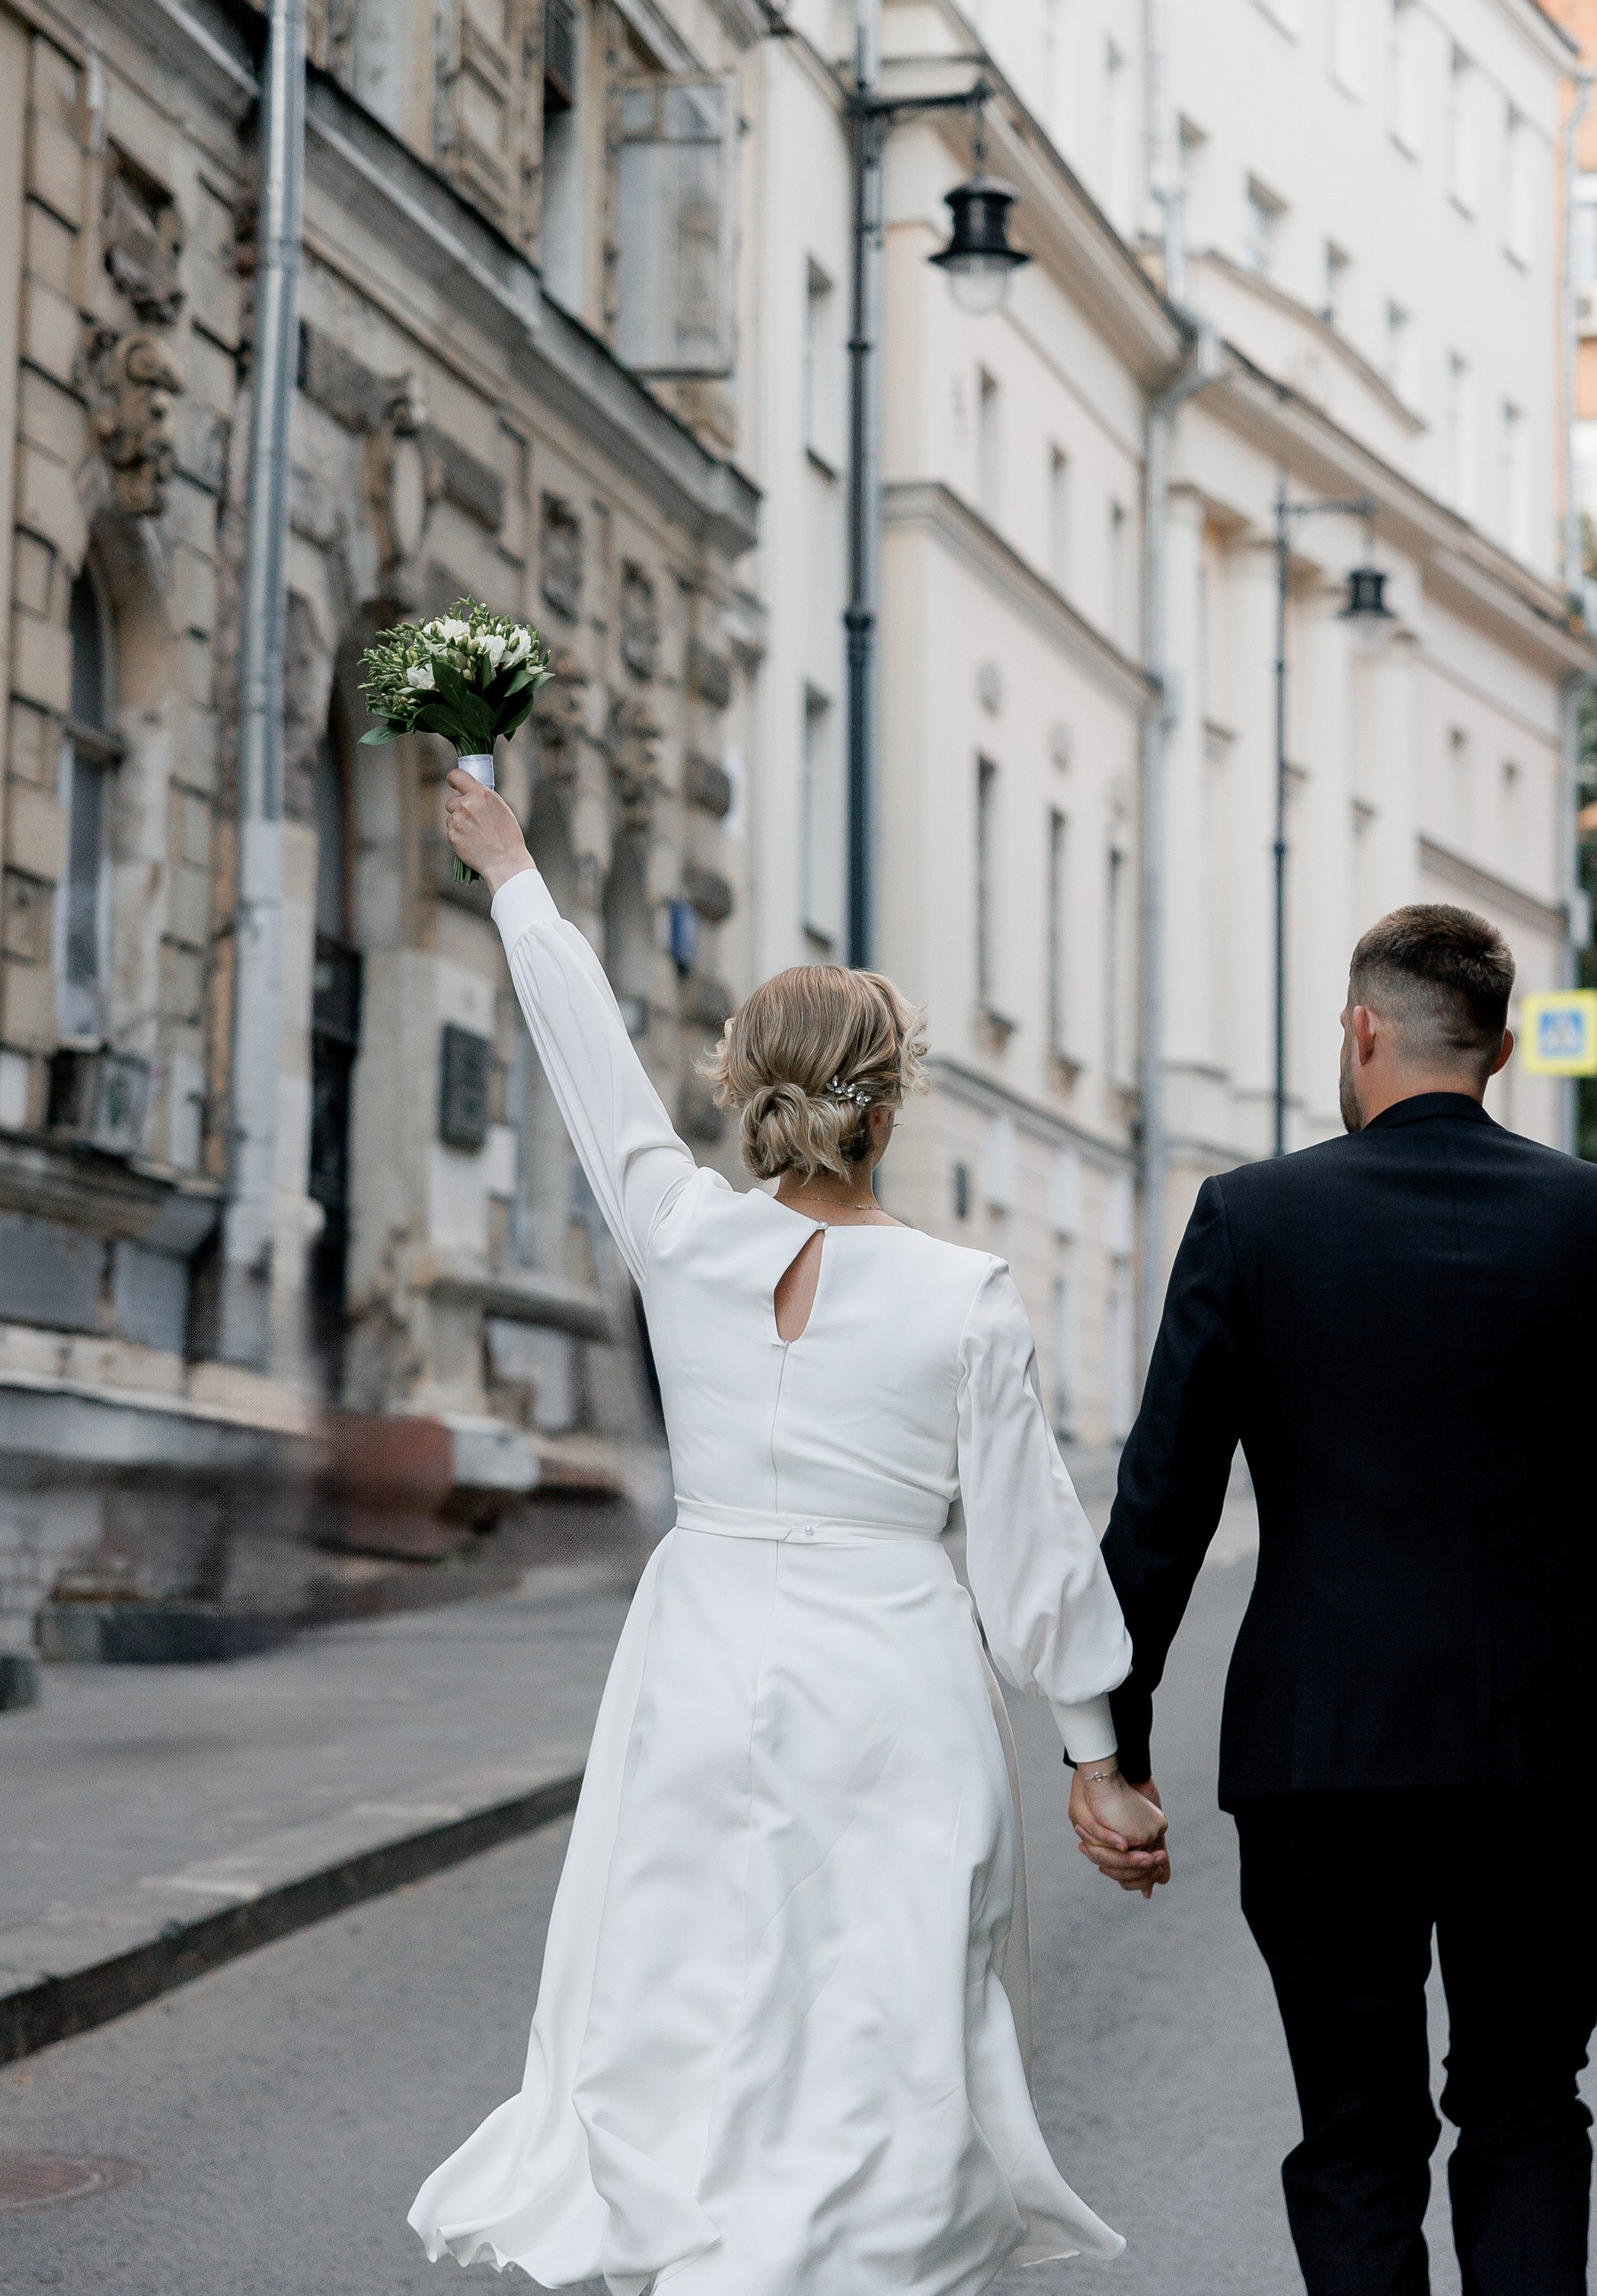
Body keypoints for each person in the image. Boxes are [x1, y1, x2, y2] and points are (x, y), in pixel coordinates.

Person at [410, 769, 1167, 2295]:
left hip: (696, 1668)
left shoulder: (681, 1237)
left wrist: (515, 878)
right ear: (888, 1106)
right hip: (893, 1685)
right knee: (885, 2027)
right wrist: (1096, 1758)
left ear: (744, 1092)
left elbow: (591, 1073)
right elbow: (1031, 1553)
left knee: (691, 2009)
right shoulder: (962, 1298)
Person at [1086, 903, 1597, 2296]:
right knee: (1526, 2105)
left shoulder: (1252, 1220)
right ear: (1503, 1051)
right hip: (1561, 1762)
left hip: (1323, 1755)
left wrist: (1114, 1742)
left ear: (1360, 1030)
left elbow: (1162, 1507)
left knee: (1355, 2135)